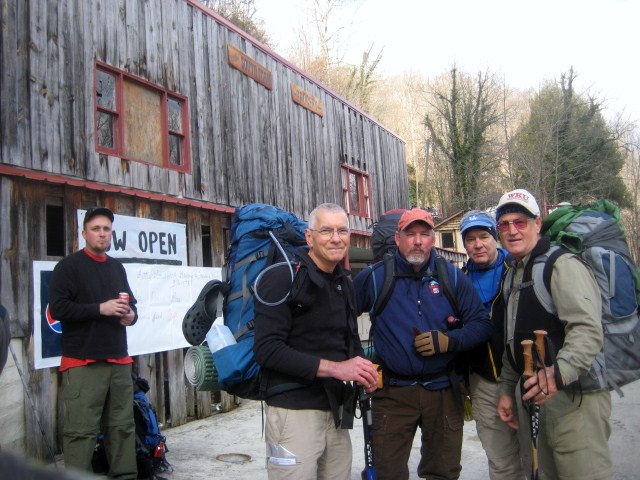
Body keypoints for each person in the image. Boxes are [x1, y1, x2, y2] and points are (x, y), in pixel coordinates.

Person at [353, 208, 492, 480]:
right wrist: (357, 360)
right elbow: (341, 319)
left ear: (433, 239)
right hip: (392, 393)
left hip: (442, 391)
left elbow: (481, 325)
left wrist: (448, 342)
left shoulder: (452, 277)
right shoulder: (374, 277)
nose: (418, 241)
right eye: (410, 234)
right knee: (388, 473)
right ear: (397, 238)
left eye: (425, 234)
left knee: (443, 472)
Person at [253, 203, 379, 480]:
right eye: (326, 230)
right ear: (309, 237)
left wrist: (362, 369)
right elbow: (267, 350)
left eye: (342, 230)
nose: (336, 238)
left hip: (335, 410)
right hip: (292, 411)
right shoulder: (281, 278)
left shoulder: (342, 281)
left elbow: (349, 339)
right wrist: (337, 368)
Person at [495, 189, 612, 479]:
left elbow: (587, 330)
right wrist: (506, 391)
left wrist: (558, 374)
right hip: (536, 397)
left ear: (538, 223)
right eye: (504, 224)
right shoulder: (513, 273)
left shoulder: (561, 265)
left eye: (520, 222)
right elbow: (513, 339)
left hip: (575, 401)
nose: (512, 230)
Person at [48, 207, 138, 478]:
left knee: (122, 428)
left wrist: (131, 316)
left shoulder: (116, 267)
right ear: (84, 233)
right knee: (81, 433)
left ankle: (126, 476)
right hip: (83, 362)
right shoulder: (68, 266)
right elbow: (59, 309)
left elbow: (131, 305)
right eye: (96, 228)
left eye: (107, 229)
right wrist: (100, 309)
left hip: (119, 361)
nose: (102, 233)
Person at [460, 210, 525, 479]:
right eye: (471, 239)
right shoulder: (459, 280)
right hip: (484, 382)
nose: (478, 244)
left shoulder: (518, 269)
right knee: (500, 459)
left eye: (484, 236)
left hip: (525, 377)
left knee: (538, 453)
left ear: (494, 238)